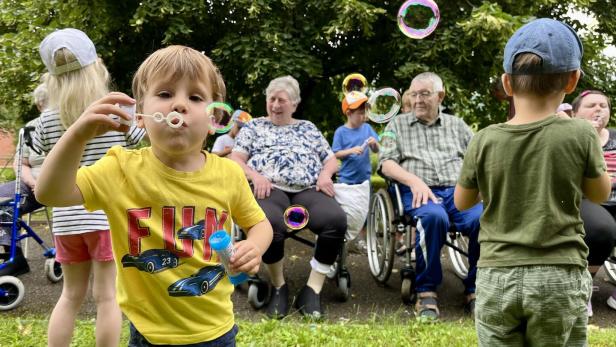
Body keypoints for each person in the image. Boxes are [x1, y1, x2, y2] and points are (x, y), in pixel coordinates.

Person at [36, 44, 273, 346]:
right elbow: (49, 192)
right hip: (149, 335)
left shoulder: (228, 174)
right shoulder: (120, 168)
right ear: (139, 116)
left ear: (215, 120)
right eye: (164, 94)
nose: (179, 105)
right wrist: (77, 134)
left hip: (216, 331)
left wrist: (254, 246)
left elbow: (260, 224)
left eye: (195, 97)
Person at [455, 18, 611, 346]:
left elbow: (462, 202)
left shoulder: (484, 139)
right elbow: (599, 193)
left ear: (507, 83)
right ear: (573, 80)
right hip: (559, 275)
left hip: (497, 275)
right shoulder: (582, 133)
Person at [32, 28, 145, 347]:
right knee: (107, 297)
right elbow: (138, 141)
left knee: (69, 296)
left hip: (67, 220)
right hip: (105, 217)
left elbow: (43, 155)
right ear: (97, 66)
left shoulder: (47, 119)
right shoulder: (114, 110)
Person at [231, 75, 346, 319]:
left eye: (281, 100)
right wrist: (255, 176)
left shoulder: (308, 128)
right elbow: (235, 159)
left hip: (308, 189)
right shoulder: (254, 127)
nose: (275, 105)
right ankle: (279, 286)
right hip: (269, 189)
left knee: (335, 220)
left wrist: (325, 175)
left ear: (294, 104)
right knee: (268, 223)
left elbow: (331, 159)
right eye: (271, 99)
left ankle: (312, 290)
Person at [379, 71, 482, 320]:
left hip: (458, 191)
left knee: (485, 218)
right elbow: (385, 163)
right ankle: (426, 289)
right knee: (434, 218)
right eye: (413, 94)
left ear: (440, 96)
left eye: (424, 94)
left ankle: (476, 287)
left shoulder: (457, 126)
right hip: (418, 192)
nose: (417, 100)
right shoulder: (397, 125)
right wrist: (414, 181)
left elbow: (479, 159)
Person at [571, 89, 616, 314]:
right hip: (588, 198)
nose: (599, 109)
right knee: (601, 228)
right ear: (575, 113)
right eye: (591, 105)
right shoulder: (569, 138)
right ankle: (584, 287)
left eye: (603, 105)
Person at [0, 83, 49, 276]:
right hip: (31, 184)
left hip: (57, 186)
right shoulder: (30, 128)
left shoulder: (69, 123)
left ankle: (16, 260)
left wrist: (45, 184)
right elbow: (21, 163)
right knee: (4, 200)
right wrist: (33, 183)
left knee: (7, 207)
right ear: (39, 106)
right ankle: (14, 255)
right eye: (44, 103)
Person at [332, 91, 378, 250]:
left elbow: (377, 149)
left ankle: (362, 240)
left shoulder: (368, 128)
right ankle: (344, 239)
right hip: (346, 180)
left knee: (363, 211)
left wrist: (373, 144)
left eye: (365, 112)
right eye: (359, 113)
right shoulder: (341, 132)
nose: (363, 116)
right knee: (346, 210)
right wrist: (351, 151)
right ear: (348, 113)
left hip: (364, 179)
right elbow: (335, 153)